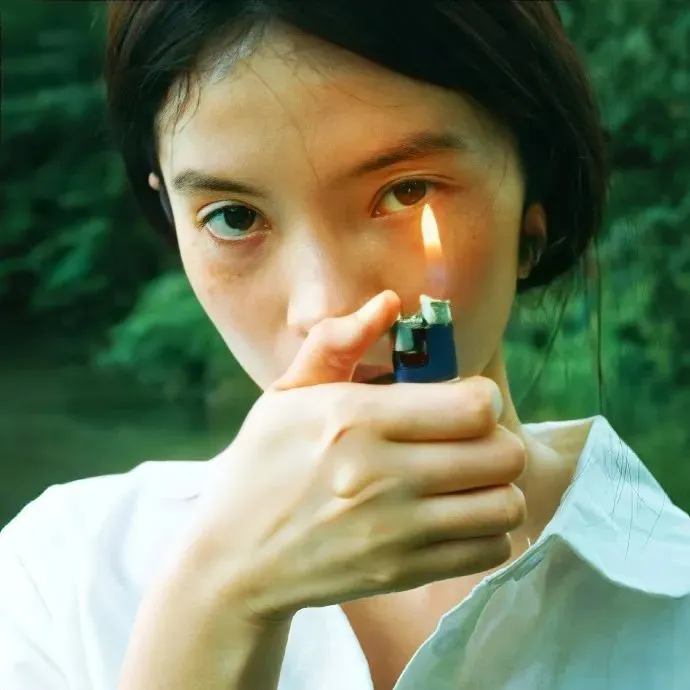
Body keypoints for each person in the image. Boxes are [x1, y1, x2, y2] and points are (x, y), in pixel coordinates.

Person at [1, 2, 689, 689]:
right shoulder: (58, 585)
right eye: (234, 217)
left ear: (535, 208)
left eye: (407, 191)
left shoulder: (671, 603)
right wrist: (217, 603)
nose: (328, 309)